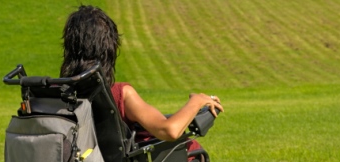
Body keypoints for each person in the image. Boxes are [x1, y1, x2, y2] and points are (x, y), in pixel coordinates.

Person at [60, 5, 224, 143]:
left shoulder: (54, 94)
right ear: (109, 50)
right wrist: (196, 102)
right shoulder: (120, 94)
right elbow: (169, 131)